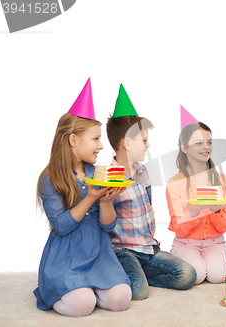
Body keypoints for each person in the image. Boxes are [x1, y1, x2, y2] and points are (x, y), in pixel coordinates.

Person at [34, 80, 131, 317]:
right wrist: (89, 198)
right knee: (81, 305)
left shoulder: (97, 173)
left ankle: (89, 287)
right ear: (73, 140)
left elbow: (108, 226)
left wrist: (106, 200)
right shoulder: (50, 178)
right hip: (66, 255)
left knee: (121, 299)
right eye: (95, 139)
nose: (101, 145)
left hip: (98, 252)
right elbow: (61, 226)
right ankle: (69, 289)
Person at [106, 84, 196, 300]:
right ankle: (132, 277)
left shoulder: (143, 171)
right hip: (123, 251)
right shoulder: (108, 177)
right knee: (137, 292)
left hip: (148, 249)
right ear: (127, 143)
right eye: (144, 140)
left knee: (187, 275)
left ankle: (145, 275)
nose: (147, 145)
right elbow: (104, 222)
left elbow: (148, 207)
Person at [166, 121, 226, 284]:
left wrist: (215, 211)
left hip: (215, 242)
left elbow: (225, 226)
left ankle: (222, 262)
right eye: (198, 143)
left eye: (209, 142)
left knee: (217, 276)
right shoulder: (175, 183)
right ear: (184, 148)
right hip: (186, 243)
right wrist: (193, 212)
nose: (206, 147)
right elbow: (179, 230)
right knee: (197, 275)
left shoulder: (223, 181)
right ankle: (175, 256)